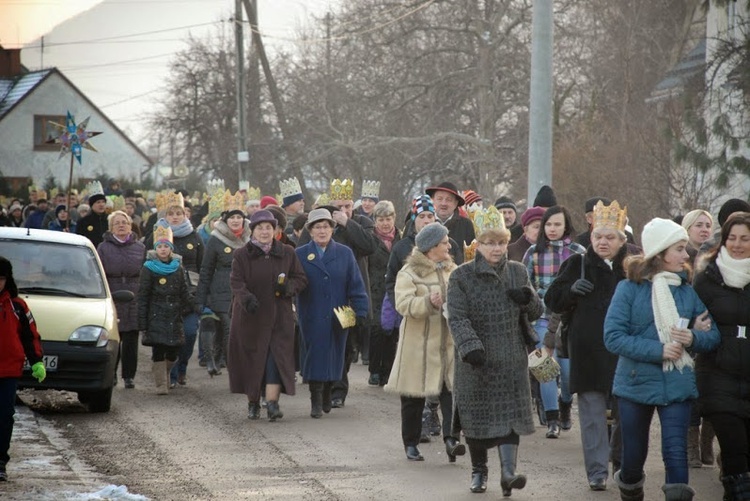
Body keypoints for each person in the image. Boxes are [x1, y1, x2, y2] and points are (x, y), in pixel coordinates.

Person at [604, 217, 720, 501]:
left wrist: (693, 338)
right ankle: (631, 489)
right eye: (679, 249)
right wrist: (658, 350)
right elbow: (613, 337)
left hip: (676, 383)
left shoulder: (686, 292)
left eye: (685, 249)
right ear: (660, 252)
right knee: (632, 455)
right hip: (635, 383)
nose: (686, 255)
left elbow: (713, 334)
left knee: (675, 452)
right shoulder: (629, 289)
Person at [447, 207, 541, 495]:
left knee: (511, 418)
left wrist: (528, 297)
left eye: (501, 242)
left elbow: (535, 312)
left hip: (511, 358)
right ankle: (479, 471)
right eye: (489, 243)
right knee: (477, 420)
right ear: (479, 243)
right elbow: (457, 317)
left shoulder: (518, 271)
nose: (497, 248)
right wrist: (470, 346)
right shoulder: (461, 276)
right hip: (477, 361)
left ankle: (509, 473)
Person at [545, 201, 633, 491]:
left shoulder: (634, 265)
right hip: (588, 349)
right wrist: (570, 291)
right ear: (591, 236)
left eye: (610, 237)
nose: (603, 242)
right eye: (598, 236)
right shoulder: (577, 263)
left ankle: (622, 466)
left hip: (626, 350)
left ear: (622, 239)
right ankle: (597, 472)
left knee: (626, 412)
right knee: (593, 414)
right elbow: (552, 300)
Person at [384, 195, 463, 441]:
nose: (449, 246)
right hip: (417, 344)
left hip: (447, 343)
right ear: (431, 247)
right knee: (414, 399)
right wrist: (428, 302)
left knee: (450, 394)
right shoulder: (409, 271)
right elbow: (403, 303)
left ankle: (452, 440)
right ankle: (411, 442)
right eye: (444, 242)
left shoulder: (454, 271)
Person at [298, 179, 378, 407]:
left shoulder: (361, 222)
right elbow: (302, 255)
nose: (343, 211)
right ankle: (322, 389)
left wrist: (347, 224)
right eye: (340, 207)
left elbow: (370, 246)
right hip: (319, 301)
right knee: (323, 345)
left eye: (347, 206)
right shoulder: (319, 223)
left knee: (345, 346)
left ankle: (338, 390)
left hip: (348, 299)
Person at [228, 210, 307, 421]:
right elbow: (236, 282)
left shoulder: (288, 252)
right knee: (254, 361)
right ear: (252, 231)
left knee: (275, 359)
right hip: (250, 317)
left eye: (269, 228)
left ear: (276, 230)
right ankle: (253, 402)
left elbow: (300, 278)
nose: (265, 231)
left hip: (279, 316)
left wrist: (288, 288)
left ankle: (272, 403)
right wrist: (246, 299)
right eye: (260, 228)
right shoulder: (241, 255)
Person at [693, 212, 750, 499]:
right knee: (733, 446)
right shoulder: (707, 279)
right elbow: (693, 318)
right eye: (732, 238)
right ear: (723, 240)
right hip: (718, 372)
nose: (738, 244)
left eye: (745, 239)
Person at [522, 205, 585, 438]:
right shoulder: (532, 253)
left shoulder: (579, 252)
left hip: (569, 319)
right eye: (548, 224)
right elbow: (525, 284)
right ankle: (552, 419)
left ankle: (565, 402)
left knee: (567, 373)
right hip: (541, 317)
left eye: (557, 224)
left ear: (566, 225)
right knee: (545, 368)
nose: (552, 228)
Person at [145, 192, 203, 388]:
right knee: (163, 338)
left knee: (189, 333)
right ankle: (166, 375)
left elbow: (203, 266)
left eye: (179, 213)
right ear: (165, 215)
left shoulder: (194, 236)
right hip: (162, 297)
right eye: (171, 213)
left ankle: (182, 366)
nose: (176, 216)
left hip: (188, 294)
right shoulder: (154, 236)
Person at [0, 257, 45, 482]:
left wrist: (36, 360)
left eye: (1, 279)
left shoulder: (17, 306)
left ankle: (0, 461)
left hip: (8, 371)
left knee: (5, 417)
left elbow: (30, 335)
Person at [196, 194, 251, 375]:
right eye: (232, 217)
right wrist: (201, 299)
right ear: (226, 220)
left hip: (245, 289)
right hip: (222, 291)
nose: (236, 221)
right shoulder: (216, 239)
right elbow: (206, 270)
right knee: (230, 329)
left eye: (239, 217)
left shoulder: (250, 238)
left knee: (240, 330)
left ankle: (220, 357)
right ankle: (235, 369)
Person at [138, 220, 191, 395]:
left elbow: (184, 290)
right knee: (159, 348)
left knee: (174, 350)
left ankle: (166, 372)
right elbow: (143, 294)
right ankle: (161, 384)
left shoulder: (178, 267)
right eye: (159, 246)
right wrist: (143, 321)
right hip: (156, 312)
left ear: (171, 248)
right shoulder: (148, 268)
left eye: (166, 246)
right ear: (155, 248)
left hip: (174, 313)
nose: (162, 249)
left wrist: (189, 306)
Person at [97, 211, 146, 389]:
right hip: (113, 294)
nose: (121, 225)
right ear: (111, 228)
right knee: (114, 338)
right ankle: (112, 374)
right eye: (117, 223)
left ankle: (129, 376)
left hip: (134, 294)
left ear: (130, 224)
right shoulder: (103, 248)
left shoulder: (140, 248)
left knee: (131, 338)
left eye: (124, 222)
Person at [367, 200, 402, 387]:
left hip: (394, 289)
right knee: (377, 330)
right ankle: (374, 369)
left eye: (388, 218)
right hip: (375, 290)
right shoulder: (370, 240)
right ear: (375, 221)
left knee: (392, 330)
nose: (385, 223)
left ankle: (388, 370)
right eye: (381, 219)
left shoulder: (401, 238)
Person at [425, 181, 475, 247]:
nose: (443, 203)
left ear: (456, 203)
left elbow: (472, 253)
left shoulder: (466, 225)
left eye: (448, 200)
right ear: (433, 200)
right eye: (439, 199)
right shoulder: (423, 221)